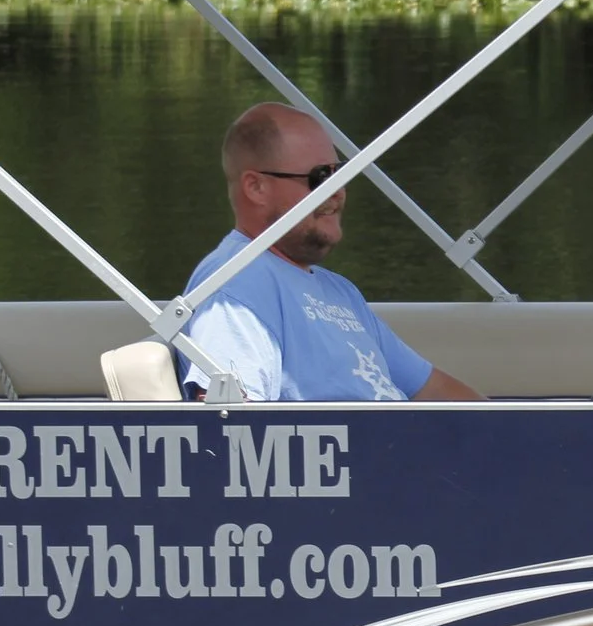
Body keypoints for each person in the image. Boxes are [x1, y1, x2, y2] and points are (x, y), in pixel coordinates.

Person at [181, 103, 484, 402]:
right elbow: (231, 431)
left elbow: (431, 390)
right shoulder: (235, 287)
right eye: (321, 177)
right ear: (256, 187)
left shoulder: (340, 291)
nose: (337, 192)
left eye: (340, 175)